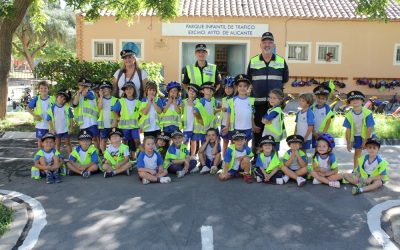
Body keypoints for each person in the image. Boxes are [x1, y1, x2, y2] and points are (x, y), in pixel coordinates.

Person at [247, 32, 289, 155]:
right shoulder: (253, 61)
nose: (267, 45)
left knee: (274, 131)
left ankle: (274, 157)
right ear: (260, 45)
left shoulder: (281, 61)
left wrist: (278, 99)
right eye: (264, 42)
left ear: (274, 45)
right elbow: (249, 80)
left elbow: (285, 80)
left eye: (270, 42)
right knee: (258, 131)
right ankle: (257, 157)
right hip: (258, 103)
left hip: (274, 105)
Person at [343, 91, 375, 170]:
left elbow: (369, 128)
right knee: (357, 153)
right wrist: (348, 143)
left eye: (357, 99)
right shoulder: (348, 114)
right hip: (357, 136)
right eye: (352, 99)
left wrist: (365, 140)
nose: (355, 101)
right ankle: (355, 170)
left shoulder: (367, 113)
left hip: (369, 135)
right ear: (349, 102)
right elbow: (348, 130)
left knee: (372, 153)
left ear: (362, 101)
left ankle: (373, 170)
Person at [223, 74, 257, 145]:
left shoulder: (251, 101)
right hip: (236, 128)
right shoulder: (232, 101)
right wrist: (226, 126)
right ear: (236, 87)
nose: (242, 88)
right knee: (234, 146)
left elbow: (251, 115)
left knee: (245, 145)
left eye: (245, 86)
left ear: (248, 87)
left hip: (247, 128)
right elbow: (229, 115)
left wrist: (253, 126)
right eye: (240, 86)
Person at [112, 81, 141, 159]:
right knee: (125, 142)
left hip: (135, 127)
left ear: (134, 90)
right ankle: (126, 156)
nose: (129, 90)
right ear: (124, 91)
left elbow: (142, 113)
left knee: (137, 141)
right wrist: (117, 117)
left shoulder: (138, 102)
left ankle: (137, 155)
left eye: (131, 88)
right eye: (127, 89)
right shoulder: (121, 101)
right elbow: (114, 110)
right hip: (124, 127)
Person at [72, 77, 100, 150]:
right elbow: (75, 103)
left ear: (89, 86)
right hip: (83, 122)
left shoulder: (92, 93)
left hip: (92, 121)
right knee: (85, 140)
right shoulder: (77, 95)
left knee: (94, 138)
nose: (83, 87)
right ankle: (87, 153)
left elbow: (85, 94)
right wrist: (78, 92)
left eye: (86, 86)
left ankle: (97, 153)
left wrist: (84, 90)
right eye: (81, 85)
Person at [27, 81, 55, 149]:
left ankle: (50, 156)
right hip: (41, 124)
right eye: (41, 88)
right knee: (40, 141)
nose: (43, 90)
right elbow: (28, 108)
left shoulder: (52, 99)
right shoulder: (36, 99)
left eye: (45, 88)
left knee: (51, 141)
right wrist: (34, 115)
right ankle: (40, 155)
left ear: (48, 89)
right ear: (39, 89)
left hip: (51, 124)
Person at [47, 89, 73, 155]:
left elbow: (71, 118)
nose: (62, 100)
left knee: (68, 143)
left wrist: (71, 127)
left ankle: (71, 157)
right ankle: (57, 156)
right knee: (57, 144)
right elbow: (49, 119)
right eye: (61, 97)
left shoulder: (67, 108)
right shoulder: (52, 108)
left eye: (64, 99)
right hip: (57, 130)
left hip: (65, 129)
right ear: (57, 97)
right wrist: (52, 129)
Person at [97, 81, 118, 153]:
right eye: (102, 89)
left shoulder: (115, 100)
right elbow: (100, 107)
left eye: (106, 88)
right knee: (103, 140)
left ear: (110, 89)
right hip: (103, 125)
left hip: (112, 124)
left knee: (114, 140)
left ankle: (114, 153)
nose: (104, 90)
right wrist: (101, 96)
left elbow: (117, 113)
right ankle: (104, 154)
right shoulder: (100, 99)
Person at [181, 84, 200, 157]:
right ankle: (184, 155)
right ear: (187, 91)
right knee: (185, 142)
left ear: (196, 94)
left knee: (193, 141)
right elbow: (181, 112)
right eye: (190, 90)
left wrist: (193, 103)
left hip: (194, 126)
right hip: (186, 127)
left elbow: (198, 111)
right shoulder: (184, 102)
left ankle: (192, 155)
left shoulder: (197, 101)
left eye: (194, 91)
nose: (191, 92)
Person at [219, 76, 235, 155]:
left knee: (233, 143)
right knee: (225, 141)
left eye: (230, 88)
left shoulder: (235, 99)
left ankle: (231, 159)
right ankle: (224, 159)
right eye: (226, 88)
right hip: (224, 123)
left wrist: (228, 110)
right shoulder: (223, 99)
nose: (228, 90)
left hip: (232, 125)